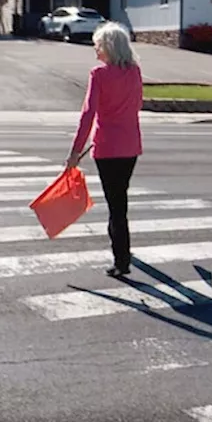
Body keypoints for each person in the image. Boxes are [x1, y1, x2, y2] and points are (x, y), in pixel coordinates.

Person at [66, 22, 143, 277]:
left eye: (97, 46)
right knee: (120, 198)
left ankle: (122, 259)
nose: (95, 51)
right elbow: (137, 103)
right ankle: (124, 251)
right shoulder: (134, 72)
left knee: (115, 205)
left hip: (108, 147)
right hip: (130, 145)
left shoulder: (99, 74)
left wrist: (75, 151)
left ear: (108, 47)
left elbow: (88, 113)